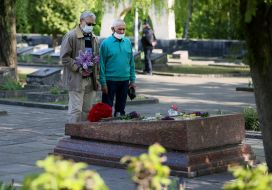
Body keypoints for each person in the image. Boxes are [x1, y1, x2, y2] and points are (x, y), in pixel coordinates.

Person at [60, 11, 99, 123]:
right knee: (76, 110)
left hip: (91, 79)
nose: (91, 26)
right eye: (89, 23)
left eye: (93, 24)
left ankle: (83, 135)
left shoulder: (94, 38)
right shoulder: (71, 35)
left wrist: (97, 77)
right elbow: (64, 57)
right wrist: (79, 68)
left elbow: (96, 58)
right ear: (81, 21)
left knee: (87, 110)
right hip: (76, 78)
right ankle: (72, 135)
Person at [99, 19, 136, 117]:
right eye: (120, 29)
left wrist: (132, 80)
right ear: (113, 29)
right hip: (110, 81)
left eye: (124, 29)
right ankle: (105, 129)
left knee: (121, 109)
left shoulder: (127, 42)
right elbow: (101, 64)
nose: (122, 31)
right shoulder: (105, 43)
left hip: (125, 80)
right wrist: (103, 83)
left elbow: (131, 62)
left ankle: (119, 127)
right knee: (106, 109)